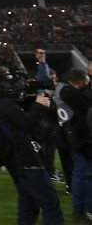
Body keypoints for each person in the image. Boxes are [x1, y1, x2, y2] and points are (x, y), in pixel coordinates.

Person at [0, 67, 64, 225]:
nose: (15, 84)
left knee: (28, 205)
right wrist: (38, 105)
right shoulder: (6, 104)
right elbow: (27, 124)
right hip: (26, 159)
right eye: (10, 80)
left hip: (15, 160)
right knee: (51, 204)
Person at [58, 69, 92, 222]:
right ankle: (81, 211)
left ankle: (82, 210)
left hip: (71, 138)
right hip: (79, 140)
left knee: (81, 174)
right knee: (83, 174)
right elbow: (86, 104)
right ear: (81, 82)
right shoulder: (69, 93)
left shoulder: (62, 90)